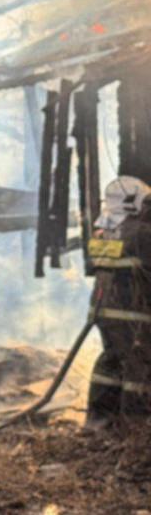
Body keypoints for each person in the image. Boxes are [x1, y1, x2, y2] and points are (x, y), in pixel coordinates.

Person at [86, 176, 151, 426]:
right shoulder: (141, 233)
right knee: (140, 367)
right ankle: (136, 427)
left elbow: (94, 264)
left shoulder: (104, 231)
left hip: (104, 313)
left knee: (111, 363)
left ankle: (99, 421)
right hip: (133, 315)